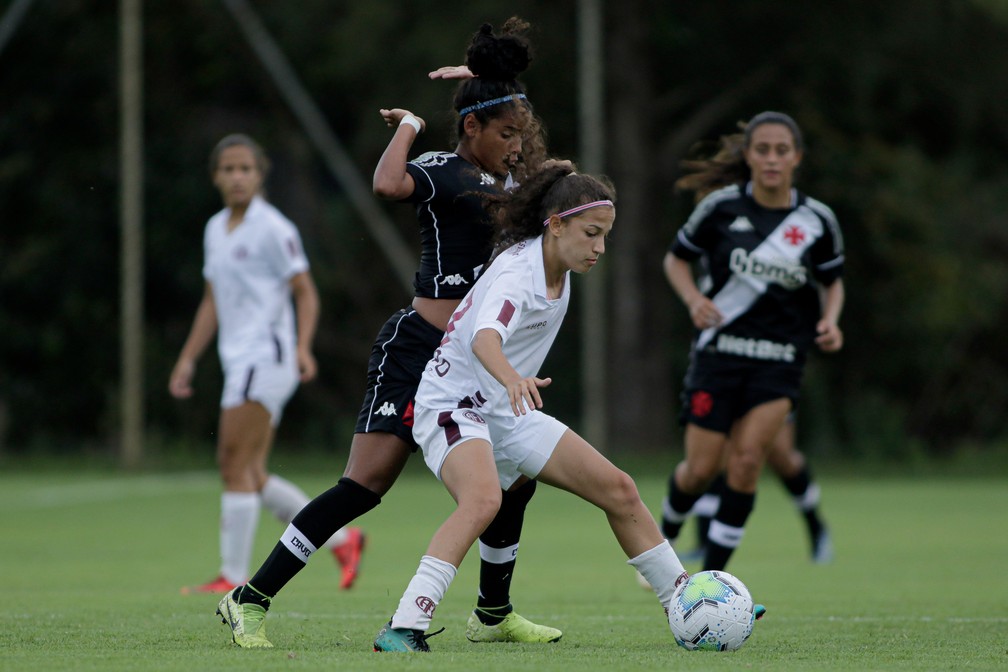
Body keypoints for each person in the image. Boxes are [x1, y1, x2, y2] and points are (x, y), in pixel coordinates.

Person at [216, 19, 562, 649]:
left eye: (522, 134)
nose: (517, 145)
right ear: (470, 129)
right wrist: (410, 125)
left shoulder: (515, 183)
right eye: (506, 133)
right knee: (365, 484)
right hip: (417, 352)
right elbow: (386, 184)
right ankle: (250, 598)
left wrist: (493, 85)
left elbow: (548, 179)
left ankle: (493, 613)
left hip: (477, 363)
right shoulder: (443, 171)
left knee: (514, 479)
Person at [373, 164, 709, 654]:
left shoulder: (557, 265)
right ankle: (403, 627)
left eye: (605, 236)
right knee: (484, 500)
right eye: (591, 234)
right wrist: (513, 379)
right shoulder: (518, 275)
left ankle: (688, 602)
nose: (599, 247)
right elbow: (487, 338)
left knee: (619, 489)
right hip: (453, 403)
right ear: (555, 225)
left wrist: (510, 389)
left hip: (506, 409)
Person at [169, 134, 364, 595]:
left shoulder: (274, 228)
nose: (237, 177)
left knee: (232, 463)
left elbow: (305, 291)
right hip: (239, 360)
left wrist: (302, 347)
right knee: (251, 473)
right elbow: (212, 302)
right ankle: (342, 540)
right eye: (228, 169)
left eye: (246, 169)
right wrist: (188, 359)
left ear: (260, 175)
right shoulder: (215, 228)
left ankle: (233, 577)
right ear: (216, 176)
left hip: (267, 357)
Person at [658, 111, 845, 572]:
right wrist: (693, 299)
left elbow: (832, 282)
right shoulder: (721, 208)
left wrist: (832, 320)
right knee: (700, 470)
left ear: (797, 157)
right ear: (749, 156)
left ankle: (712, 579)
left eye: (782, 150)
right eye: (762, 149)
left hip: (779, 361)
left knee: (745, 463)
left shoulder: (816, 220)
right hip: (718, 355)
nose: (772, 159)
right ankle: (664, 539)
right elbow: (676, 260)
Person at [678, 413, 834, 564]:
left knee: (782, 458)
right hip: (725, 387)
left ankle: (816, 529)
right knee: (716, 453)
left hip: (767, 389)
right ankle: (704, 543)